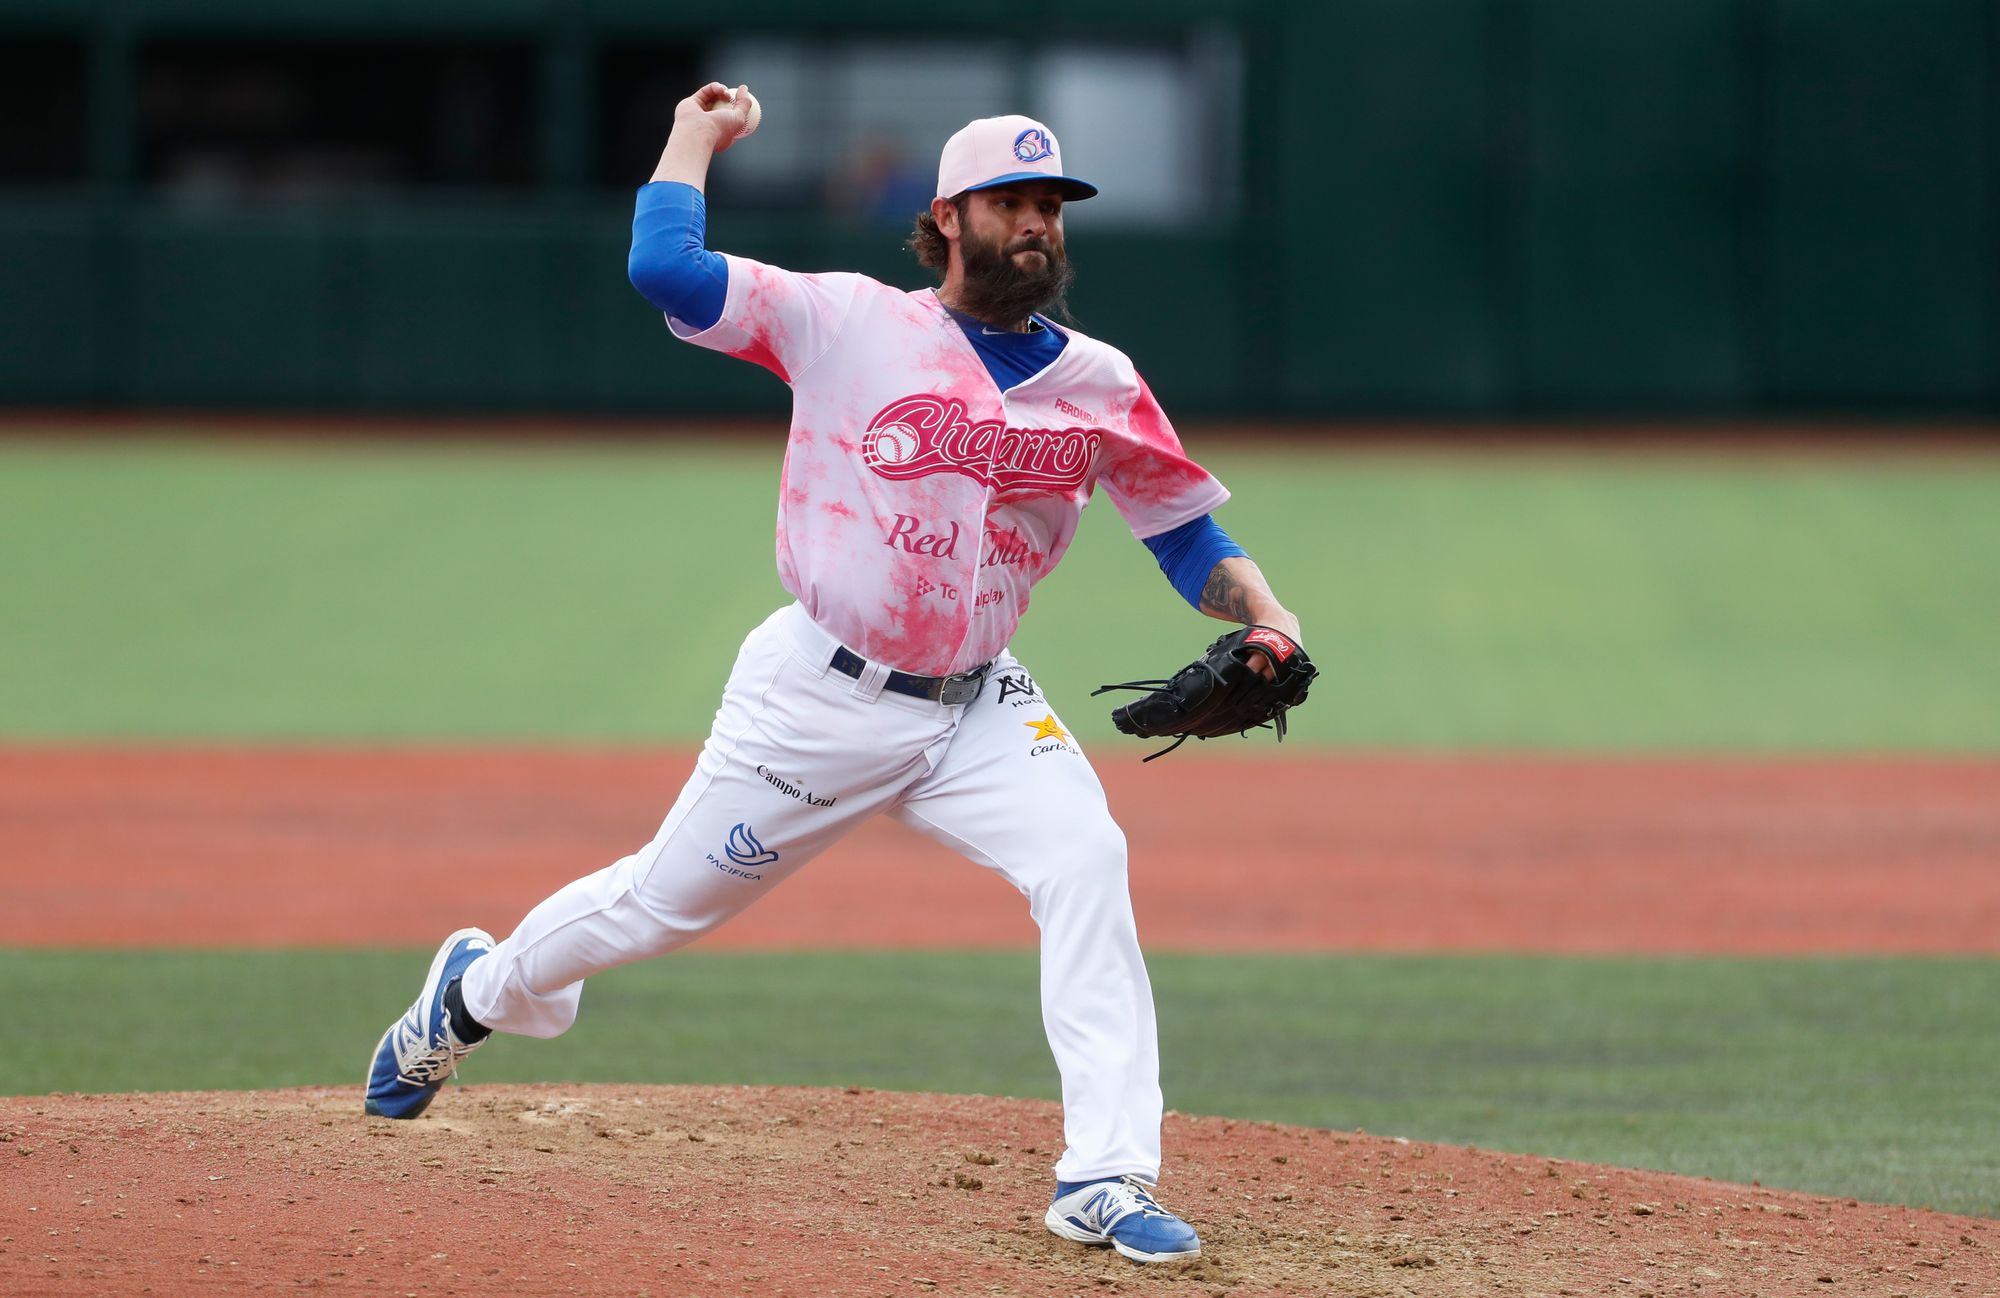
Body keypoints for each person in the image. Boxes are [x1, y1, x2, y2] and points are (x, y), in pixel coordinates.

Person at [364, 82, 1304, 1267]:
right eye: (1008, 201)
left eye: (1050, 205)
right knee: (657, 903)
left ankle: (1104, 1175)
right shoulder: (843, 321)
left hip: (977, 702)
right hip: (817, 696)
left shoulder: (1098, 382)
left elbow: (1181, 534)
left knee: (1086, 857)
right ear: (946, 219)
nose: (1035, 224)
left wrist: (1266, 612)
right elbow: (667, 272)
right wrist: (692, 137)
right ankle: (473, 991)